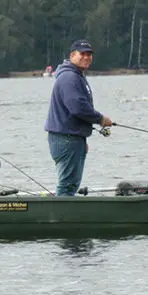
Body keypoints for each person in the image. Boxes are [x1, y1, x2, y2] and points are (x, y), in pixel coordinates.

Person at [44, 39, 113, 196]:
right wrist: (101, 119)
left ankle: (62, 214)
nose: (87, 57)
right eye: (82, 54)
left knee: (70, 183)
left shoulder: (75, 75)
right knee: (68, 185)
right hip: (66, 139)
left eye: (89, 54)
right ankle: (61, 217)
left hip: (71, 138)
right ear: (72, 55)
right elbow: (77, 108)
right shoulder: (70, 77)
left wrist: (82, 140)